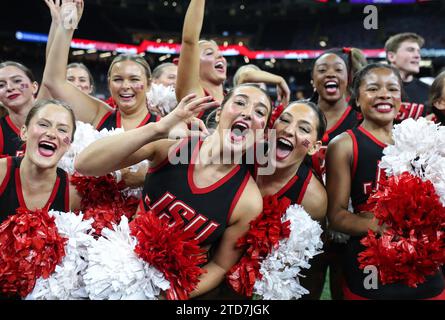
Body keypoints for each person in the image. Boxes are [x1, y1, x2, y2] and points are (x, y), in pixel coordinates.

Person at [75, 84, 273, 299]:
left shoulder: (248, 201)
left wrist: (169, 295)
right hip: (114, 272)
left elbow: (219, 266)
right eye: (240, 102)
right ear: (219, 113)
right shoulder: (171, 147)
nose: (247, 113)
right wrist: (158, 129)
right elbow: (85, 164)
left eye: (260, 111)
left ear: (262, 135)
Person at [326, 63, 445, 300]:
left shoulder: (421, 139)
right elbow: (336, 216)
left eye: (392, 89)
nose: (384, 94)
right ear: (356, 99)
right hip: (370, 267)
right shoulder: (344, 144)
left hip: (424, 265)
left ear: (401, 99)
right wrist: (381, 226)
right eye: (372, 88)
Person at [256, 101, 328, 299]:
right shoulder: (242, 156)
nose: (288, 130)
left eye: (303, 128)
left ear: (314, 147)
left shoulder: (313, 198)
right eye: (284, 120)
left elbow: (311, 270)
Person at [0, 99, 81, 224]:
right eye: (43, 124)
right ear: (24, 132)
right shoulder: (1, 173)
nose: (51, 133)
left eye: (62, 130)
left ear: (69, 144)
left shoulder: (74, 193)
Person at [176, 0, 227, 121]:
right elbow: (189, 40)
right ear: (194, 63)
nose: (220, 57)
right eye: (209, 53)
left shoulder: (234, 97)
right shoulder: (195, 96)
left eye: (220, 54)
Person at [0, 61, 47, 157]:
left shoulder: (56, 124)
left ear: (34, 87)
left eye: (17, 81)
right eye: (1, 85)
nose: (9, 87)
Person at [385, 32, 430, 121]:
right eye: (410, 50)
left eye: (418, 51)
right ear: (391, 56)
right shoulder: (374, 90)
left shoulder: (429, 91)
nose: (417, 56)